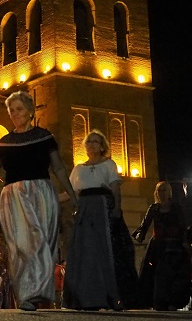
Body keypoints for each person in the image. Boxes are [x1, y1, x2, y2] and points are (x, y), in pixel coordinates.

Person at [0, 91, 77, 311]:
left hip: (42, 193)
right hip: (14, 196)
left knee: (44, 243)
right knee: (22, 245)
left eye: (19, 109)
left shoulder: (45, 137)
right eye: (11, 110)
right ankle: (26, 295)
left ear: (30, 111)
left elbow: (59, 168)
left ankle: (41, 293)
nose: (15, 114)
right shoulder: (5, 142)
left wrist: (72, 194)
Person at [63, 130, 139, 310]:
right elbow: (72, 192)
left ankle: (113, 297)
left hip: (103, 209)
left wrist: (117, 208)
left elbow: (115, 188)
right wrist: (48, 197)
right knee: (86, 253)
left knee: (106, 251)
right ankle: (87, 299)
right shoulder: (78, 169)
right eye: (89, 142)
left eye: (96, 142)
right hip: (85, 211)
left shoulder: (109, 165)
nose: (92, 145)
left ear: (102, 146)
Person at [132, 181, 191, 311]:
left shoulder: (175, 208)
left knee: (174, 275)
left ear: (169, 192)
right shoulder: (154, 208)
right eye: (159, 190)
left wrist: (184, 242)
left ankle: (173, 302)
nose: (162, 193)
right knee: (157, 273)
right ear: (156, 193)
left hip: (174, 245)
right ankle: (159, 302)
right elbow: (145, 224)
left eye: (164, 190)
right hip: (158, 246)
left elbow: (182, 225)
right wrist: (139, 236)